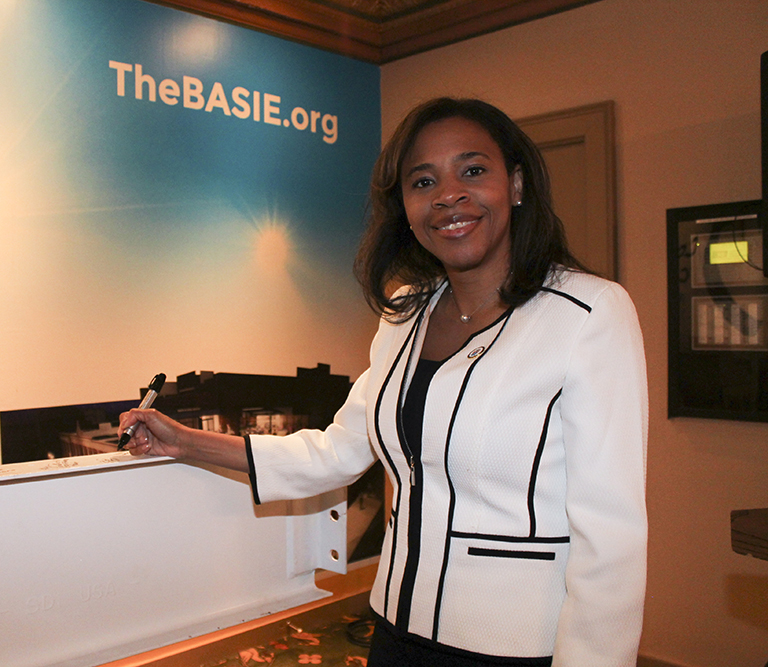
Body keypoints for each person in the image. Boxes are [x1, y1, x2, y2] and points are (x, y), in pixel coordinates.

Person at [119, 97, 648, 666]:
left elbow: (609, 540)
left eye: (473, 170)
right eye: (424, 181)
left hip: (515, 646)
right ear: (406, 206)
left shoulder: (589, 313)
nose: (449, 195)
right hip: (396, 629)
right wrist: (185, 440)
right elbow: (335, 452)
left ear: (516, 184)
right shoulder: (404, 313)